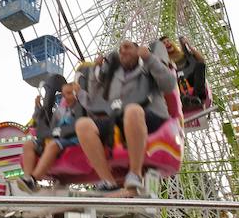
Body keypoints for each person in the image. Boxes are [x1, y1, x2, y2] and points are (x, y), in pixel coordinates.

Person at [75, 39, 178, 195]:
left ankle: (134, 174)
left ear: (138, 51)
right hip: (118, 118)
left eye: (127, 47)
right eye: (120, 50)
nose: (122, 51)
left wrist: (149, 58)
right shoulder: (114, 75)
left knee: (132, 110)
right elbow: (95, 98)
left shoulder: (147, 66)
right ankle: (107, 181)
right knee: (83, 125)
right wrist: (96, 70)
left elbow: (169, 84)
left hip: (149, 114)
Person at [19, 81, 83, 191]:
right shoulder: (60, 111)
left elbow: (79, 122)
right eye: (64, 94)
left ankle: (33, 180)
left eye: (69, 93)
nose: (65, 97)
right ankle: (27, 177)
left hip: (71, 138)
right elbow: (49, 126)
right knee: (29, 144)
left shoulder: (80, 105)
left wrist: (80, 96)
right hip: (56, 137)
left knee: (53, 145)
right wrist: (38, 109)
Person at [160, 36, 207, 110]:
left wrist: (189, 45)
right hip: (178, 85)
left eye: (168, 41)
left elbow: (202, 60)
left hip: (192, 80)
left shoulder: (184, 54)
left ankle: (197, 96)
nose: (167, 44)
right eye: (164, 43)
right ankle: (183, 99)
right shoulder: (165, 62)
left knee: (200, 65)